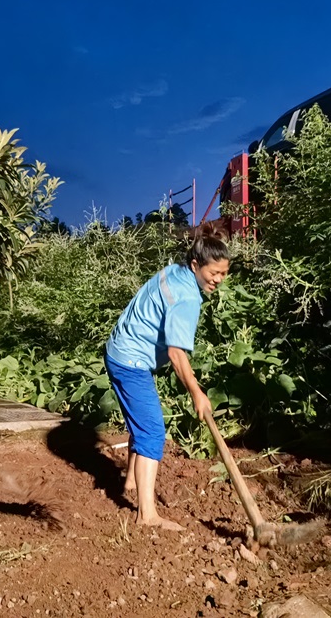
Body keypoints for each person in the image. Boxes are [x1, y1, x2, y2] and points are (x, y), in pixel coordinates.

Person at [104, 222, 230, 531]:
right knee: (152, 432)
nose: (218, 280)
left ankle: (131, 482)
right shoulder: (187, 297)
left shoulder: (174, 271)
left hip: (119, 349)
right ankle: (147, 515)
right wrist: (197, 393)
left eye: (224, 274)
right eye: (213, 273)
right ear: (196, 265)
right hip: (130, 360)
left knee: (141, 421)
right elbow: (176, 354)